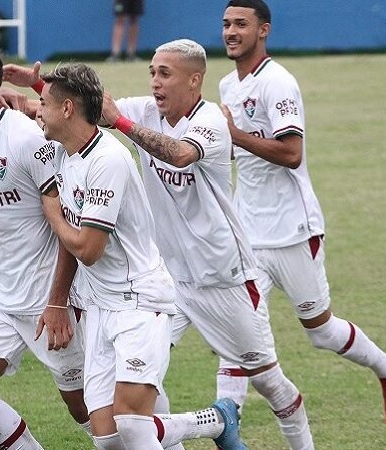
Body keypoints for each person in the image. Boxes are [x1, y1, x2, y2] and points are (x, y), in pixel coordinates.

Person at [97, 38, 315, 449]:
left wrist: (121, 125)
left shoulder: (211, 120)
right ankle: (211, 423)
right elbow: (90, 107)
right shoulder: (146, 110)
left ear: (194, 80)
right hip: (166, 284)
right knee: (132, 387)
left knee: (270, 383)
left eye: (165, 74)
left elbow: (179, 154)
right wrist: (33, 92)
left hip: (224, 279)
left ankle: (239, 428)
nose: (155, 82)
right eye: (152, 73)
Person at [219, 0, 386, 432]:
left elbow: (291, 152)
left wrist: (234, 134)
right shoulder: (227, 85)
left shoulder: (279, 83)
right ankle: (228, 418)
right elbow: (236, 153)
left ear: (263, 30)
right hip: (248, 232)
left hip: (292, 229)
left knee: (320, 331)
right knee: (238, 325)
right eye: (227, 24)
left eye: (241, 24)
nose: (231, 32)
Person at [36, 62, 247, 450]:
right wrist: (58, 300)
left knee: (133, 426)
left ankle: (216, 420)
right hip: (101, 308)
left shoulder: (108, 161)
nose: (37, 112)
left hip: (138, 303)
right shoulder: (64, 155)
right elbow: (75, 243)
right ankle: (215, 421)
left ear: (67, 109)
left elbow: (88, 249)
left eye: (44, 104)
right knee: (109, 439)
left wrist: (51, 213)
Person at [0, 42, 91, 450]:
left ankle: (171, 437)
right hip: (0, 296)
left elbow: (69, 225)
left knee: (87, 410)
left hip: (49, 299)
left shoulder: (27, 138)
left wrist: (58, 301)